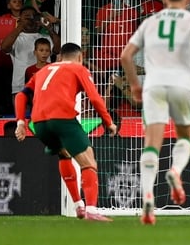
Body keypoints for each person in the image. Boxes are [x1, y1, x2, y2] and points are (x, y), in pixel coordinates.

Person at [120, 0, 190, 225]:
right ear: (187, 0)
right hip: (183, 83)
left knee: (152, 144)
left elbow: (125, 56)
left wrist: (134, 85)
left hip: (154, 85)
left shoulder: (150, 22)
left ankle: (148, 197)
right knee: (185, 136)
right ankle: (175, 171)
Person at [14, 42, 117, 222]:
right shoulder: (79, 69)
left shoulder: (43, 71)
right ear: (80, 57)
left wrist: (21, 122)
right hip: (62, 119)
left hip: (38, 124)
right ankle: (91, 210)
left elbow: (21, 95)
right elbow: (94, 97)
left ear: (60, 57)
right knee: (88, 162)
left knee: (64, 154)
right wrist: (108, 122)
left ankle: (78, 205)